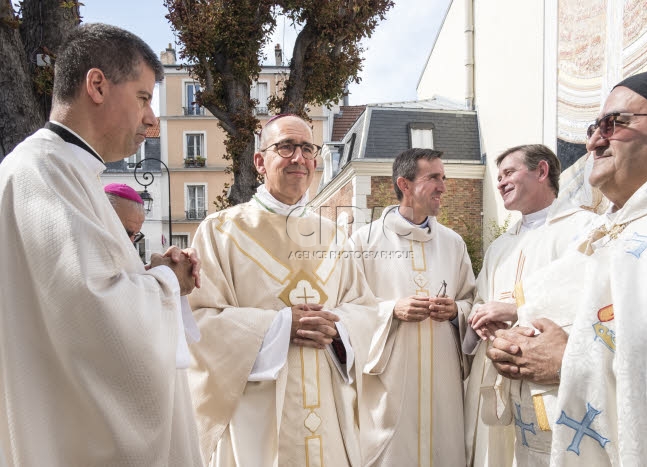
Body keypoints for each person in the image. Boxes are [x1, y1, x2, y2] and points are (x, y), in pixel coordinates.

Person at [0, 24, 203, 466]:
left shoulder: (73, 173)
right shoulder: (43, 173)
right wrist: (170, 281)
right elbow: (92, 314)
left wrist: (150, 274)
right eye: (144, 98)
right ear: (97, 85)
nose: (152, 120)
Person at [487, 68, 647, 466]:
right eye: (593, 125)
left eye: (614, 123)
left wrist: (570, 363)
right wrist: (512, 342)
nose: (593, 140)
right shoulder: (610, 227)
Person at [186, 114, 377, 467]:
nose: (299, 158)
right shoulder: (221, 231)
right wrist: (278, 327)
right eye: (286, 147)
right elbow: (200, 321)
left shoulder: (334, 235)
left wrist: (339, 328)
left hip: (328, 411)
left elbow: (365, 309)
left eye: (307, 148)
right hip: (256, 417)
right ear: (260, 161)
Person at [463, 144, 599, 466]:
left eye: (509, 172)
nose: (499, 183)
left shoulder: (581, 229)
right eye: (498, 176)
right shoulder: (500, 246)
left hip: (553, 384)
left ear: (541, 171)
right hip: (503, 381)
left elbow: (589, 295)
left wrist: (515, 313)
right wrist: (482, 320)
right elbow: (483, 300)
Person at [349, 148, 476, 466]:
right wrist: (392, 309)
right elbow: (345, 307)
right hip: (389, 383)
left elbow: (472, 301)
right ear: (404, 184)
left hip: (443, 382)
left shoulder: (453, 243)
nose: (443, 187)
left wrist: (455, 311)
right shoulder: (364, 242)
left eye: (443, 178)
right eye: (433, 177)